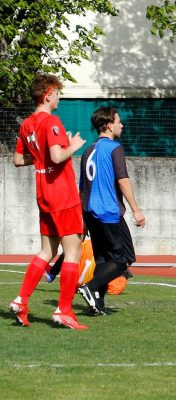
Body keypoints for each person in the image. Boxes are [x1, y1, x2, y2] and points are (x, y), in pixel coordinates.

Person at [9, 73, 88, 329]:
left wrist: (44, 156)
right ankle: (64, 310)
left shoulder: (27, 125)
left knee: (48, 251)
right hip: (62, 195)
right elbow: (56, 156)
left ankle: (21, 300)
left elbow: (19, 160)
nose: (59, 98)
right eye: (57, 93)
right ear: (48, 94)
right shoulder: (51, 121)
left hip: (43, 194)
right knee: (73, 250)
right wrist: (73, 146)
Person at [78, 107, 145, 315]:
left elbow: (83, 186)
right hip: (108, 211)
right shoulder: (114, 148)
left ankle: (97, 304)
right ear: (109, 125)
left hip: (89, 211)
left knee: (103, 258)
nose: (121, 125)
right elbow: (122, 180)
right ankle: (89, 287)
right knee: (123, 258)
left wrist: (82, 218)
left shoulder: (88, 151)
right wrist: (136, 210)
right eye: (118, 121)